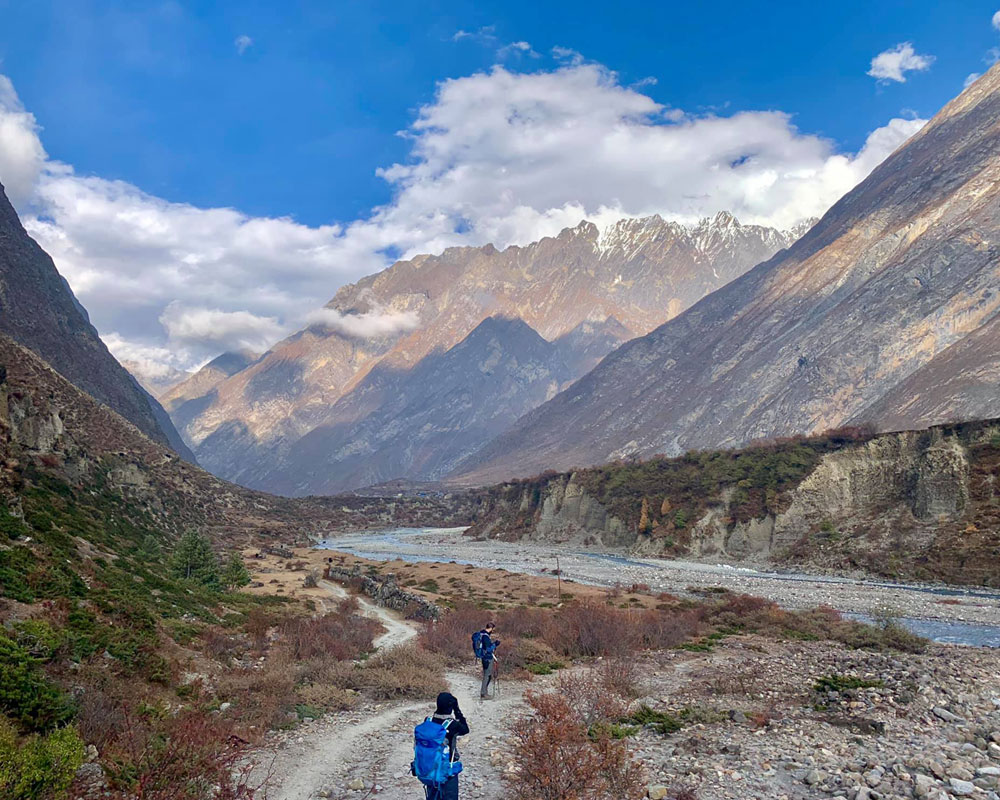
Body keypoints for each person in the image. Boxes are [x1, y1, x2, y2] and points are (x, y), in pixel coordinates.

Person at [415, 691, 469, 800]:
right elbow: (465, 729)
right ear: (450, 706)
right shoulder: (452, 724)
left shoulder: (428, 721)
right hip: (447, 771)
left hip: (430, 769)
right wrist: (457, 710)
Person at [477, 622, 500, 698]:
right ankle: (483, 693)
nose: (493, 631)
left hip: (484, 657)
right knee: (487, 675)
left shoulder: (481, 634)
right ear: (491, 628)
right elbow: (488, 649)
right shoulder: (486, 637)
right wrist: (495, 644)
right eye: (493, 629)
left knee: (487, 675)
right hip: (487, 658)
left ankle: (484, 692)